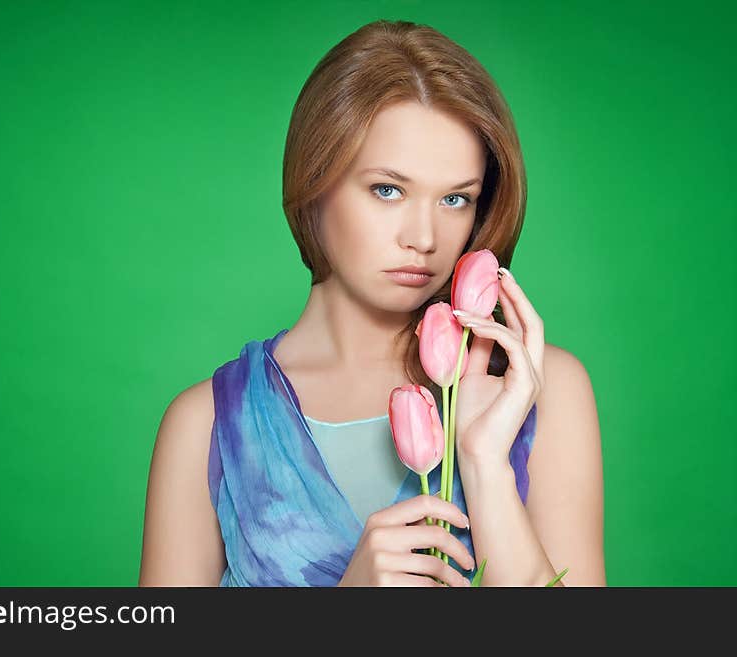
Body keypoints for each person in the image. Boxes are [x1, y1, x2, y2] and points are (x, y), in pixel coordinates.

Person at [138, 19, 605, 587]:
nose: (425, 236)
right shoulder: (208, 424)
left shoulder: (542, 389)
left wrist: (485, 467)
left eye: (456, 198)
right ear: (314, 183)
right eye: (388, 189)